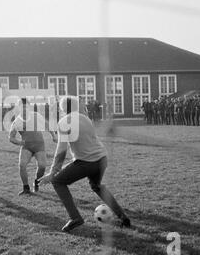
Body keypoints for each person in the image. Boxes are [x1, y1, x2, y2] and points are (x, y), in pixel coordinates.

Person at [38, 96, 131, 232]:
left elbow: (61, 151)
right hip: (101, 159)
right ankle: (123, 217)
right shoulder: (86, 118)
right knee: (97, 186)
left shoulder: (64, 121)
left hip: (87, 162)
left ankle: (75, 218)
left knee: (57, 181)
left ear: (63, 108)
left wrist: (53, 172)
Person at [9, 98, 57, 195]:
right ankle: (26, 188)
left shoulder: (36, 115)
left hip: (39, 145)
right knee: (22, 165)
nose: (24, 108)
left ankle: (36, 182)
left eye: (26, 106)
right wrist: (19, 142)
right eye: (21, 106)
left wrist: (53, 136)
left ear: (29, 106)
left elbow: (47, 125)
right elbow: (11, 137)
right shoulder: (17, 121)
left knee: (42, 166)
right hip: (27, 147)